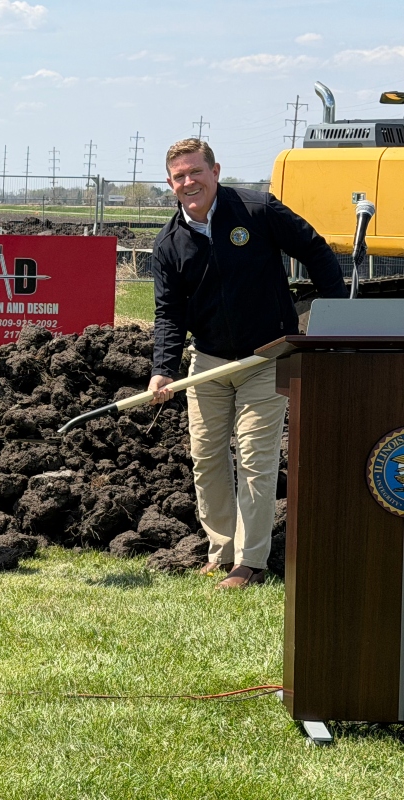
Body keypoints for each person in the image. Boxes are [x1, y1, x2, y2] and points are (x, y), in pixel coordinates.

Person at [148, 138, 344, 589]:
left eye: (196, 171)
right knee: (207, 457)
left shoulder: (257, 211)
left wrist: (334, 314)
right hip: (210, 363)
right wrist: (164, 367)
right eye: (179, 176)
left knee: (255, 457)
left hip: (266, 357)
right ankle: (222, 549)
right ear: (170, 184)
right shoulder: (169, 244)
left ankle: (250, 562)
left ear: (216, 171)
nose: (189, 181)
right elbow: (168, 314)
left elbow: (315, 249)